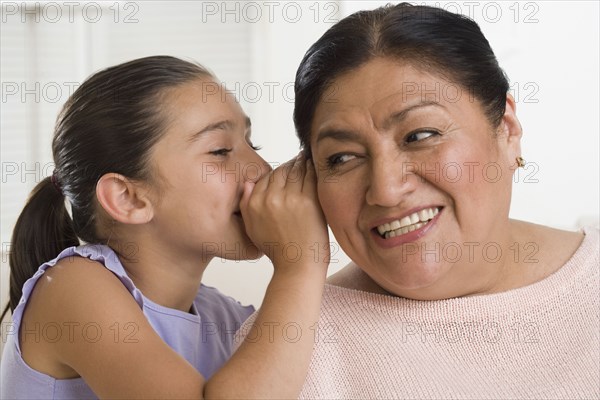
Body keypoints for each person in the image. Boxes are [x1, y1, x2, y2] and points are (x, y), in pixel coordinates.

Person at [290, 3, 599, 398]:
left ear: (507, 129)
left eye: (420, 136)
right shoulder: (289, 349)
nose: (385, 190)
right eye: (343, 158)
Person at [0, 55, 330, 399]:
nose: (261, 169)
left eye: (252, 144)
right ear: (128, 198)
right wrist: (300, 267)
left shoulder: (227, 319)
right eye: (220, 151)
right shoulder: (72, 288)